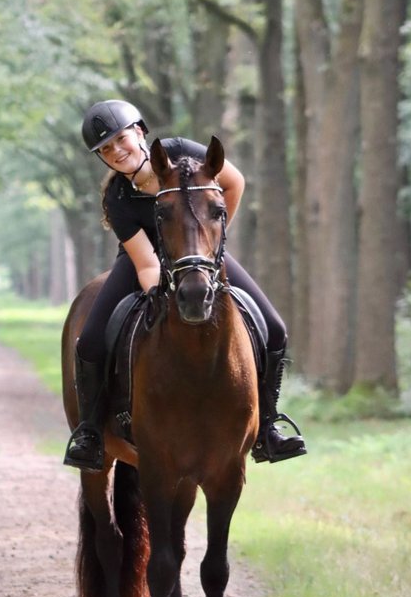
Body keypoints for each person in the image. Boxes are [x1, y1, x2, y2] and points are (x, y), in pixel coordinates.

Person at [63, 98, 307, 471]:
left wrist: (211, 240)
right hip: (143, 261)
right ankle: (92, 431)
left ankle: (268, 426)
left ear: (140, 132)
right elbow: (145, 263)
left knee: (274, 328)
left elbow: (233, 181)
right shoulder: (118, 197)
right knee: (92, 340)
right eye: (105, 149)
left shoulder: (179, 152)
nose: (115, 151)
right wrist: (166, 293)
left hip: (200, 254)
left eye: (120, 140)